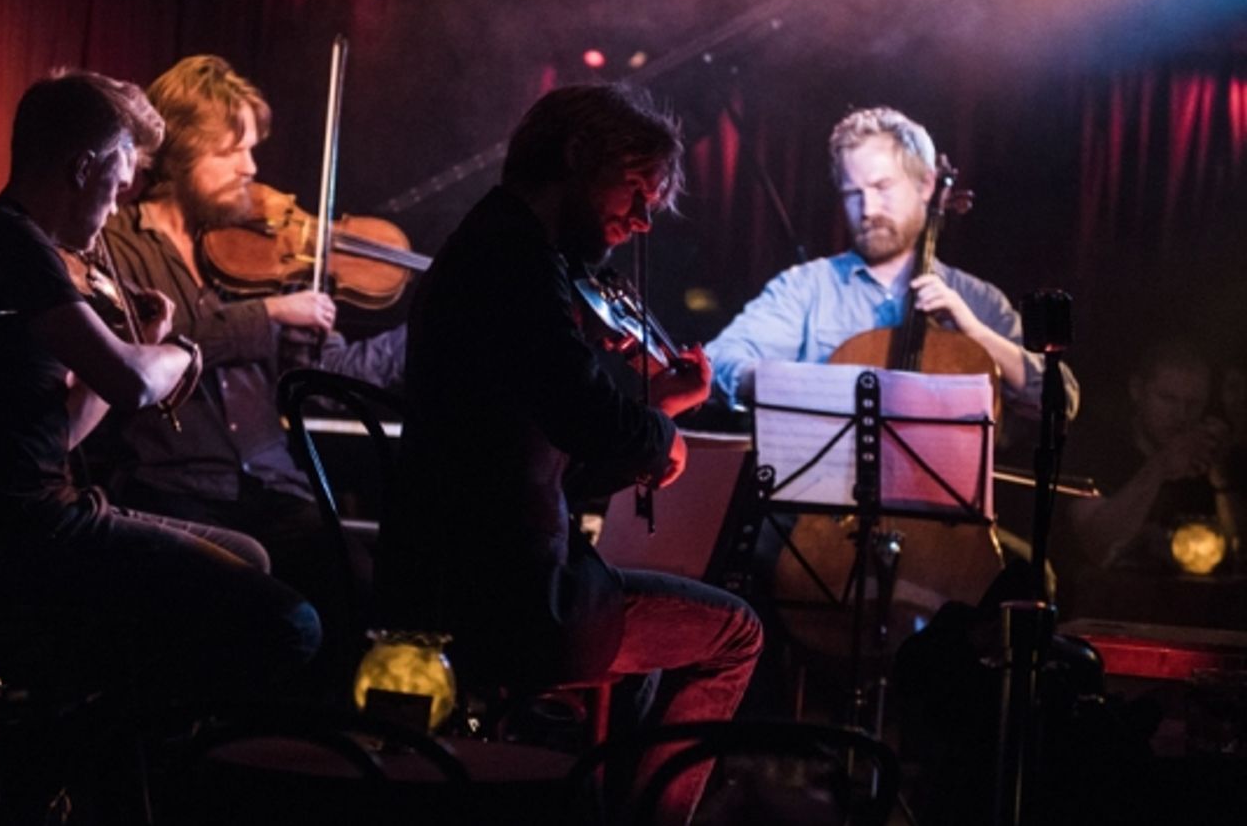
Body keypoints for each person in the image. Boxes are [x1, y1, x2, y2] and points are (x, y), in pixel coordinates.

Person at [376, 83, 763, 826]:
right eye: (637, 188)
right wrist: (660, 435)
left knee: (647, 669)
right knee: (735, 633)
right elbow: (586, 415)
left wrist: (656, 410)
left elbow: (558, 456)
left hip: (449, 576)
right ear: (579, 156)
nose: (643, 219)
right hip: (509, 597)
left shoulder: (496, 243)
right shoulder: (516, 257)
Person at [0, 70, 320, 702]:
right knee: (293, 624)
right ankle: (120, 730)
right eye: (117, 184)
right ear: (82, 169)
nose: (116, 206)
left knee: (250, 557)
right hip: (31, 532)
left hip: (37, 514)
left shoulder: (2, 241)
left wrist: (138, 341)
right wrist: (175, 349)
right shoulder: (14, 246)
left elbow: (63, 433)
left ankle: (130, 720)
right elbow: (133, 382)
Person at [85, 55, 403, 678]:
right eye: (232, 152)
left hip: (274, 488)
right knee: (265, 619)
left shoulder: (253, 251)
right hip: (177, 490)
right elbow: (160, 343)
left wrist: (427, 331)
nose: (251, 169)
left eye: (251, 150)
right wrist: (271, 313)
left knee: (364, 590)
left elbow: (328, 383)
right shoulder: (118, 244)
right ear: (180, 152)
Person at [706, 105, 1079, 420]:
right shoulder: (804, 288)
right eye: (853, 193)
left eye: (882, 187)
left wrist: (977, 335)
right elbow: (720, 361)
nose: (868, 209)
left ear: (926, 186)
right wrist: (809, 385)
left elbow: (1062, 400)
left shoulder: (976, 299)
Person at [1064, 340, 1245, 577]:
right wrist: (1159, 466)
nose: (1181, 415)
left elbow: (1239, 557)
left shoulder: (1206, 459)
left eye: (1193, 404)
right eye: (1168, 399)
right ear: (1137, 390)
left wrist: (1222, 475)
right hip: (1104, 594)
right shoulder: (1096, 449)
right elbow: (1099, 544)